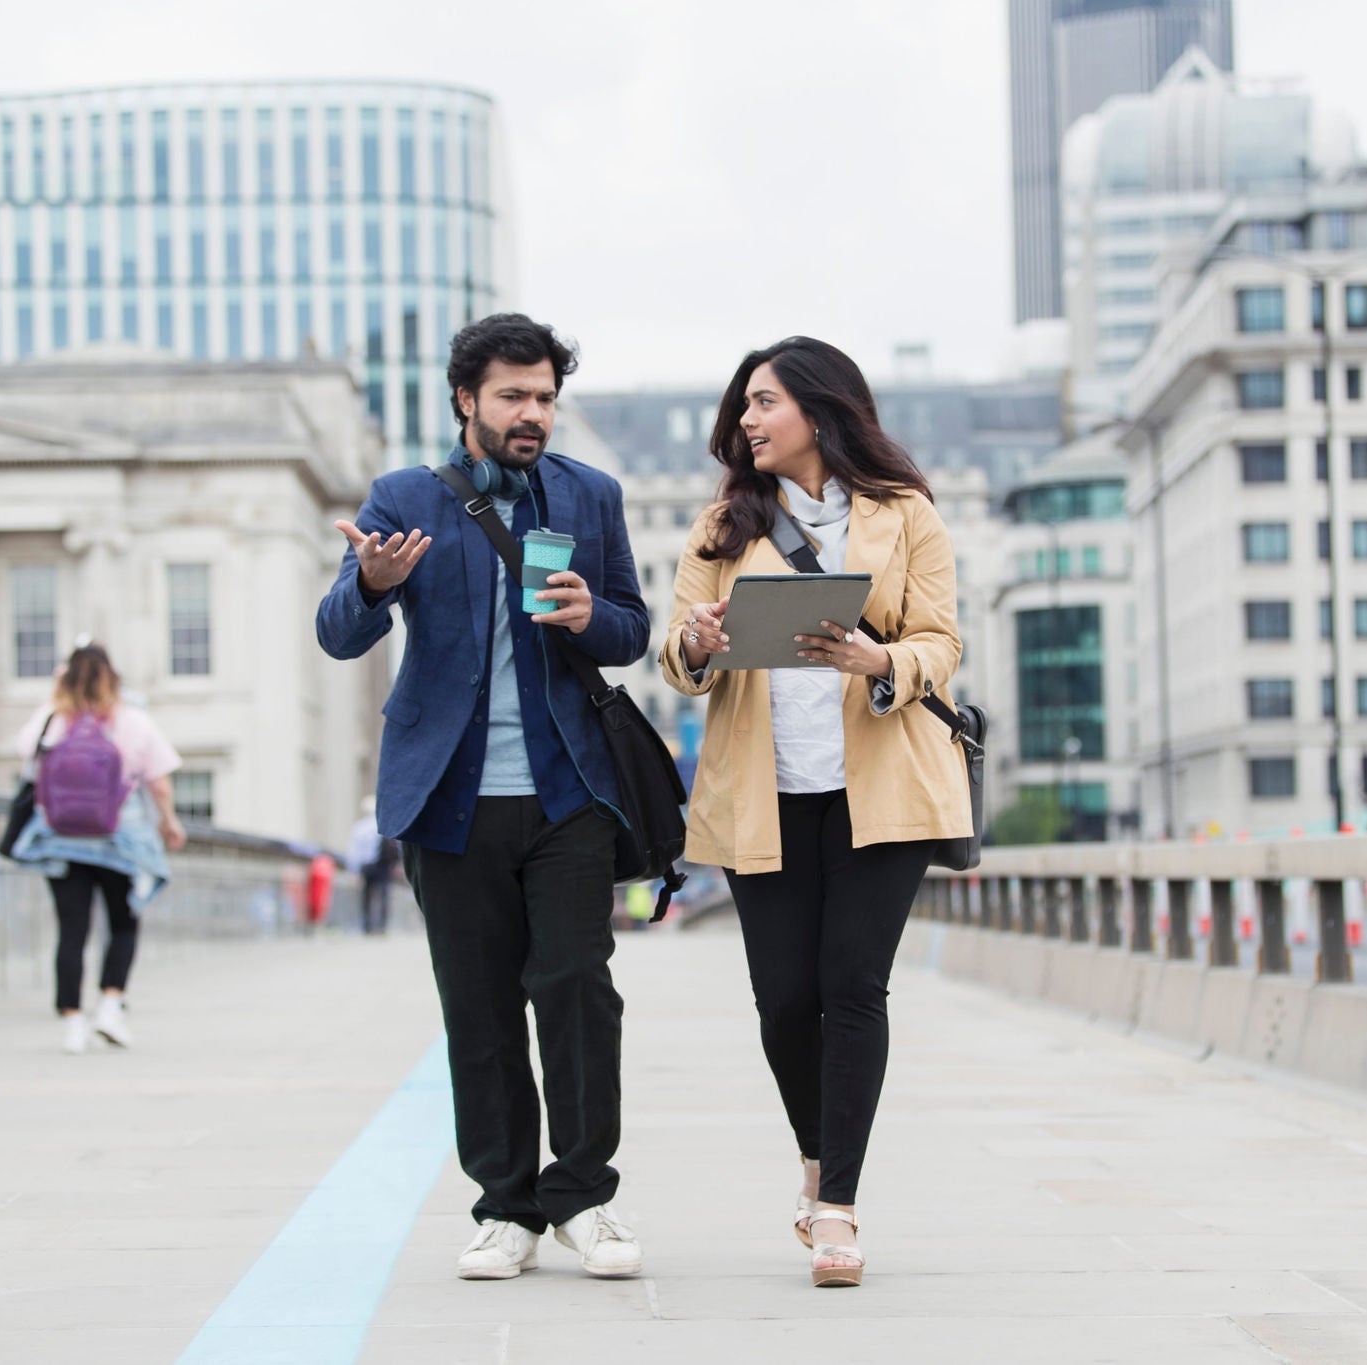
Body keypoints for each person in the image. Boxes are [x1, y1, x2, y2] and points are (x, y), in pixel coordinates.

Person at [316, 313, 650, 1281]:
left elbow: (632, 628)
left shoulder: (590, 495)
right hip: (449, 797)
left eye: (544, 397)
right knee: (479, 1005)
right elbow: (338, 634)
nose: (531, 413)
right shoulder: (405, 496)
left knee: (578, 989)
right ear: (466, 398)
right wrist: (371, 583)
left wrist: (590, 616)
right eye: (512, 396)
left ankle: (583, 1195)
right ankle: (506, 1207)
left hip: (569, 793)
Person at [659, 336, 971, 1288]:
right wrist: (698, 642)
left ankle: (837, 1202)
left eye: (766, 401)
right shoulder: (722, 526)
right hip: (764, 794)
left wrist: (884, 661)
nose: (748, 419)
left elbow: (941, 642)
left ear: (821, 408)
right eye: (745, 405)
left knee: (852, 986)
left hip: (884, 792)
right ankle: (815, 1155)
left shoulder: (905, 513)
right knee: (785, 999)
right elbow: (676, 660)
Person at [10, 644, 186, 1054]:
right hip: (119, 838)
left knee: (71, 930)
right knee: (123, 924)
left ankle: (73, 1023)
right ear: (113, 678)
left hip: (61, 838)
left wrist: (54, 696)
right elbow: (159, 783)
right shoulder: (133, 720)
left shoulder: (51, 719)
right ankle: (110, 1005)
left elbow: (26, 756)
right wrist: (169, 821)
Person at [348, 796, 400, 935]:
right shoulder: (383, 825)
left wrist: (353, 871)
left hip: (366, 866)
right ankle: (382, 926)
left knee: (366, 897)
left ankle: (367, 926)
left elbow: (354, 852)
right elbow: (396, 846)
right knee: (383, 896)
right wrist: (397, 864)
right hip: (383, 865)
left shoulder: (359, 828)